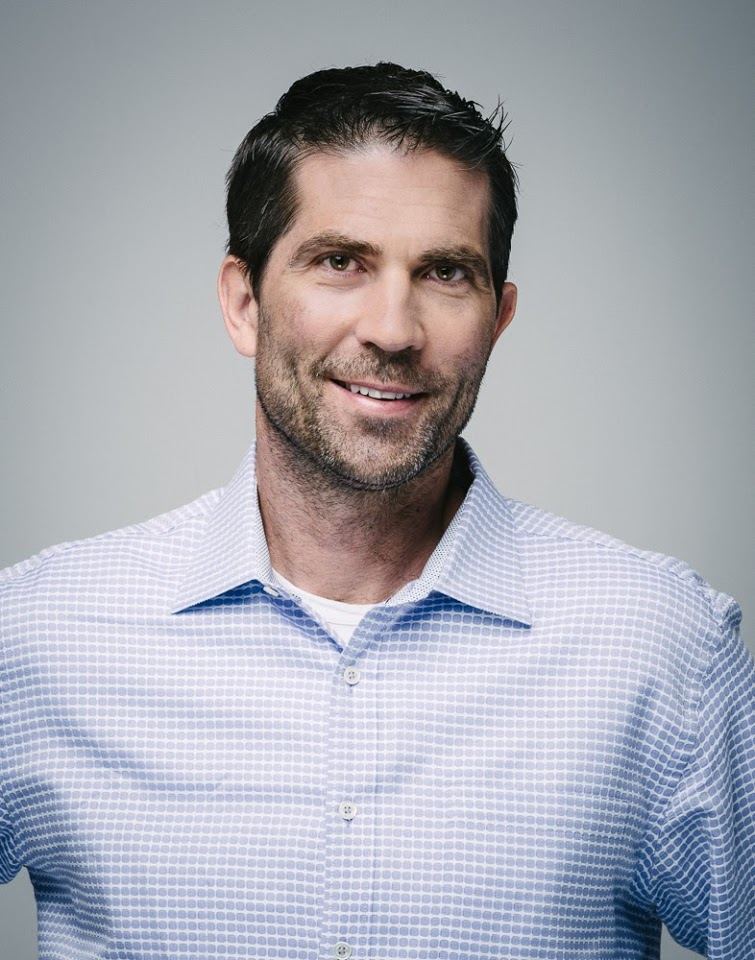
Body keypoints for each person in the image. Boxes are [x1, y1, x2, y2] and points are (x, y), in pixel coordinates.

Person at [1, 62, 752, 960]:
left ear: (497, 320)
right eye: (339, 262)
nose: (393, 330)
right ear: (243, 304)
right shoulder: (39, 637)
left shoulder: (662, 649)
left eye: (445, 272)